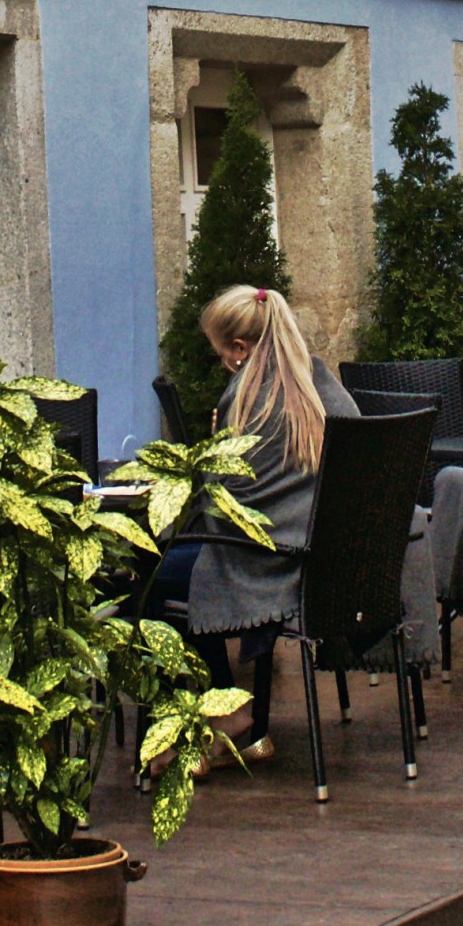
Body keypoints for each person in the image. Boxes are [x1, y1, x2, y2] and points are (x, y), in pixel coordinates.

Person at [153, 286, 353, 741]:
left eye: (222, 353)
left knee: (157, 576)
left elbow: (224, 502)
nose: (224, 362)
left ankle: (222, 705)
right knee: (189, 565)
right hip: (329, 567)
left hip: (269, 564)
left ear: (240, 348)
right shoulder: (322, 383)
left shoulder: (246, 398)